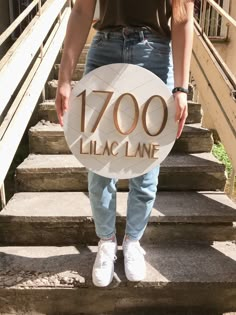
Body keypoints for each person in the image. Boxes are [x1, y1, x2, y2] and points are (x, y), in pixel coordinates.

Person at [55, 0, 195, 287]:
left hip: (154, 53)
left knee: (147, 161)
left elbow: (182, 17)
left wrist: (181, 87)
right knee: (98, 159)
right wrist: (64, 78)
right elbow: (82, 10)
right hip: (104, 48)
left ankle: (133, 241)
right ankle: (106, 241)